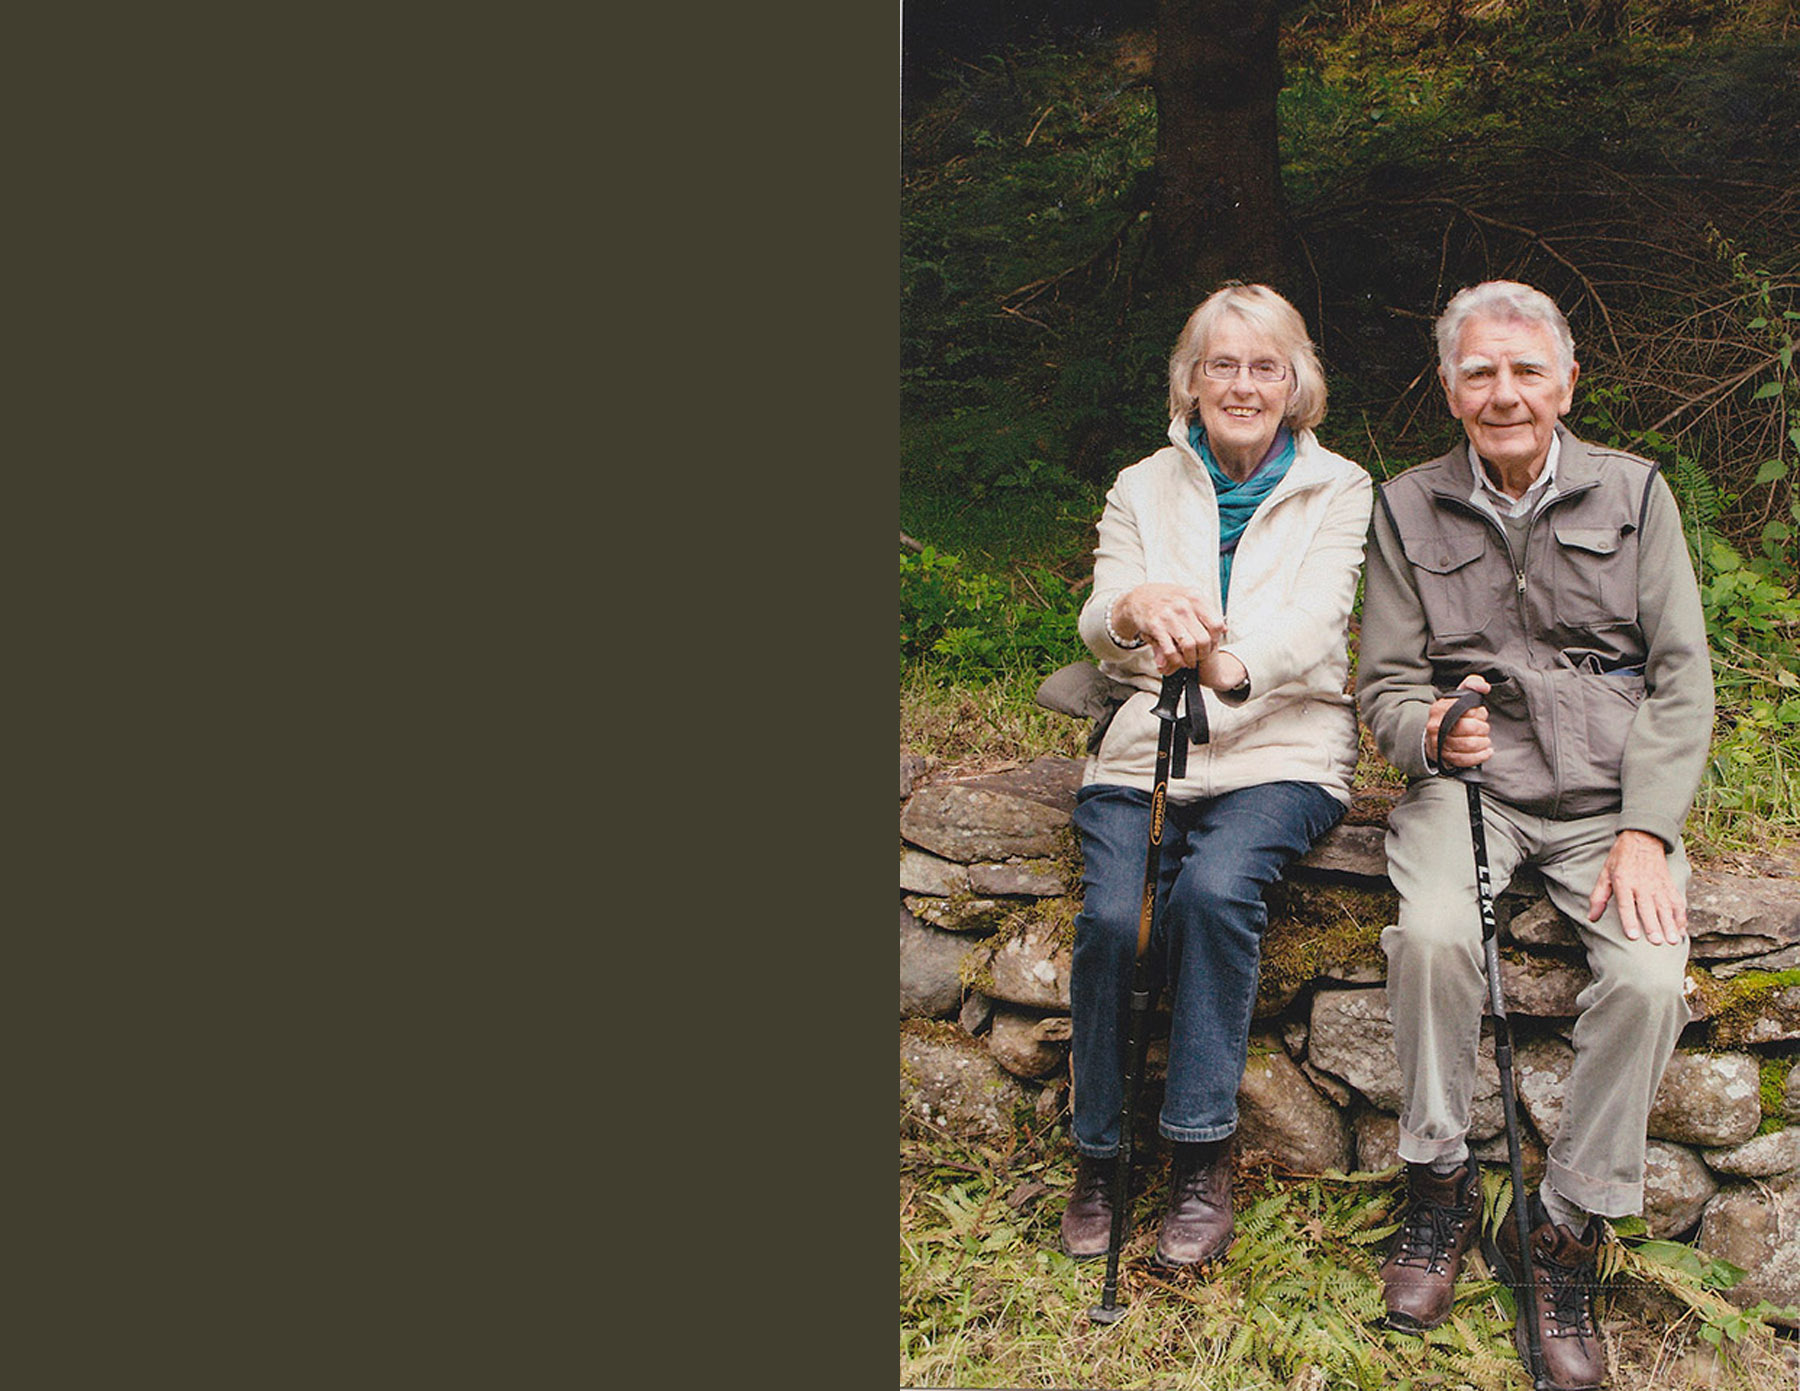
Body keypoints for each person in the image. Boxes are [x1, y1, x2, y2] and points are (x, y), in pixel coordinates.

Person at [1356, 280, 1714, 1390]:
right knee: (1431, 935)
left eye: (1524, 370)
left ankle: (1563, 1223)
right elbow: (1384, 684)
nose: (1503, 392)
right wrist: (1429, 731)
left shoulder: (1637, 492)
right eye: (1479, 372)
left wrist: (1648, 829)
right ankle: (1440, 1174)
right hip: (1475, 787)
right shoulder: (1406, 503)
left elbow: (1681, 676)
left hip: (1608, 795)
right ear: (1451, 389)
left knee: (1652, 980)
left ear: (1566, 383)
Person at [1058, 283, 1372, 1272]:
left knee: (1211, 889)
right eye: (1221, 364)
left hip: (1284, 751)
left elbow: (1317, 627)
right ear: (1192, 380)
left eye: (1264, 365)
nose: (1242, 384)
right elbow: (1104, 623)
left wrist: (1222, 666)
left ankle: (1200, 1156)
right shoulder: (1141, 485)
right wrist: (1134, 608)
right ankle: (1098, 1154)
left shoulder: (1342, 486)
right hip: (1147, 744)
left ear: (1297, 383)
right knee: (1113, 916)